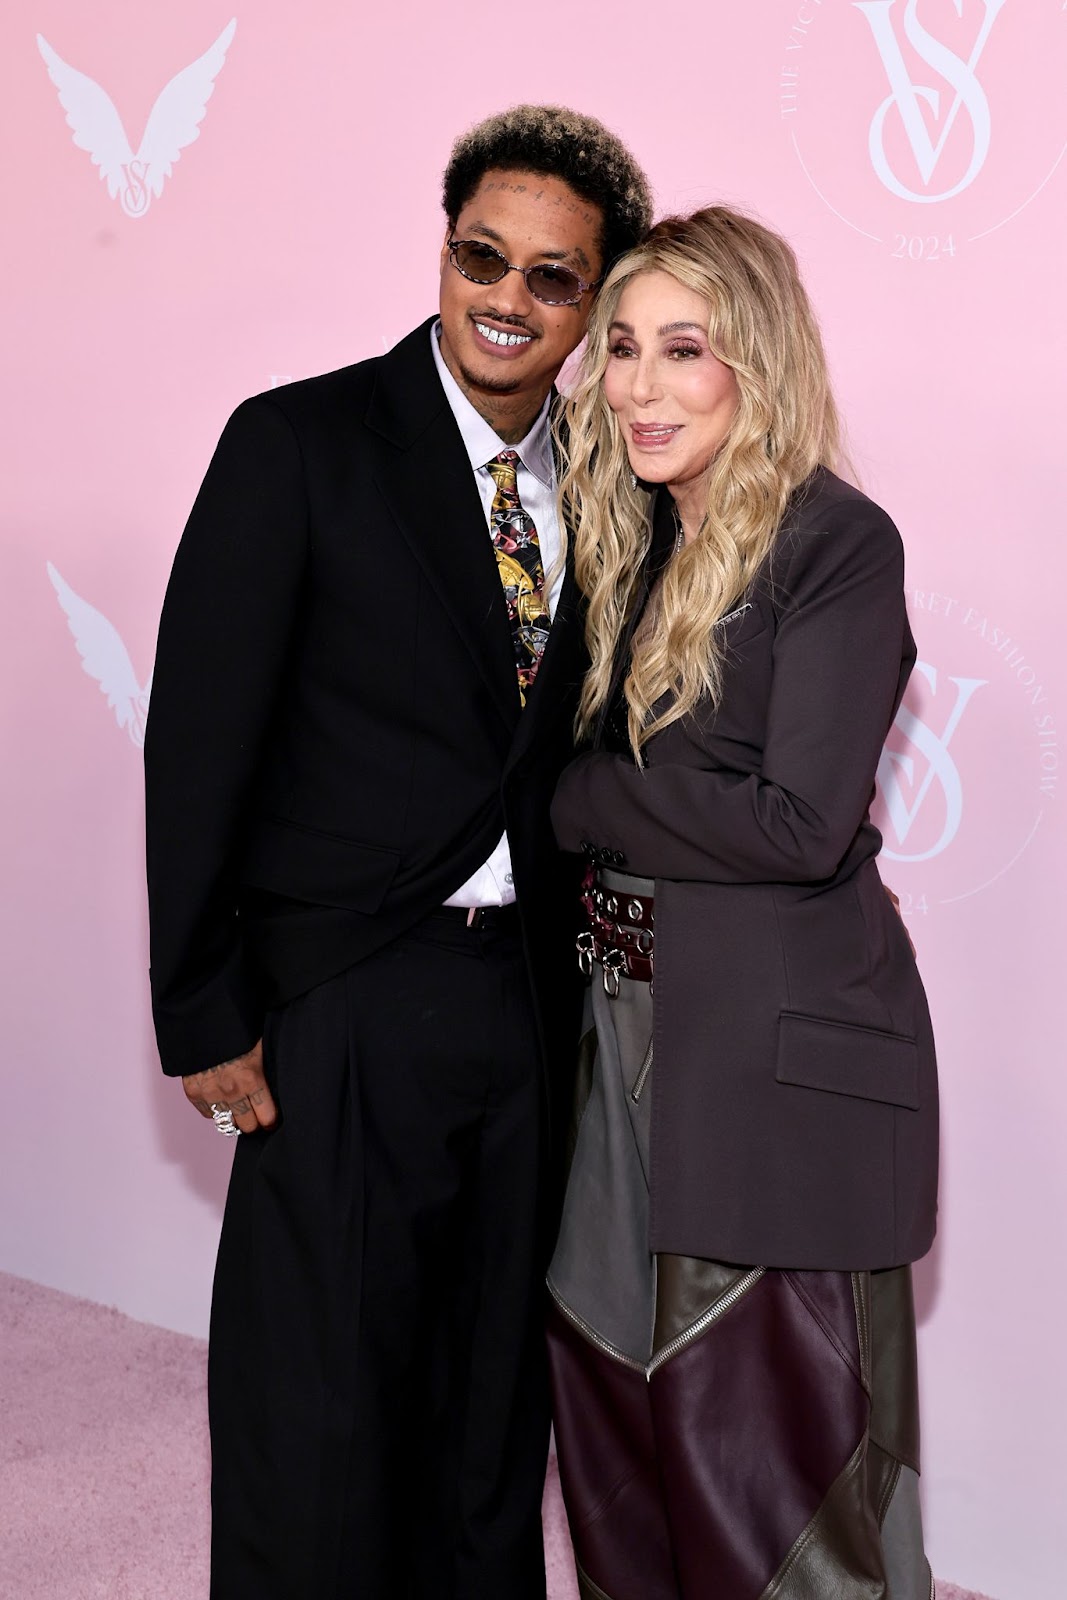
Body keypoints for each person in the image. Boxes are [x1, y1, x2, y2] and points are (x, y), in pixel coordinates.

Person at [144, 106, 652, 1599]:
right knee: (320, 1402)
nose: (507, 296)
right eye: (479, 255)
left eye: (553, 277)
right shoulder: (298, 443)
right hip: (343, 996)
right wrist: (204, 1006)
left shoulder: (614, 492)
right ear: (442, 252)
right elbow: (199, 741)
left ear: (595, 300)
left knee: (490, 1398)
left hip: (526, 1008)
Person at [547, 208, 939, 1599]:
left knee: (772, 1477)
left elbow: (796, 822)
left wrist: (572, 801)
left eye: (685, 350)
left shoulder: (836, 544)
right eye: (623, 350)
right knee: (611, 1434)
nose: (641, 387)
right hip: (615, 1039)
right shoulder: (631, 540)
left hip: (772, 1063)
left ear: (754, 365)